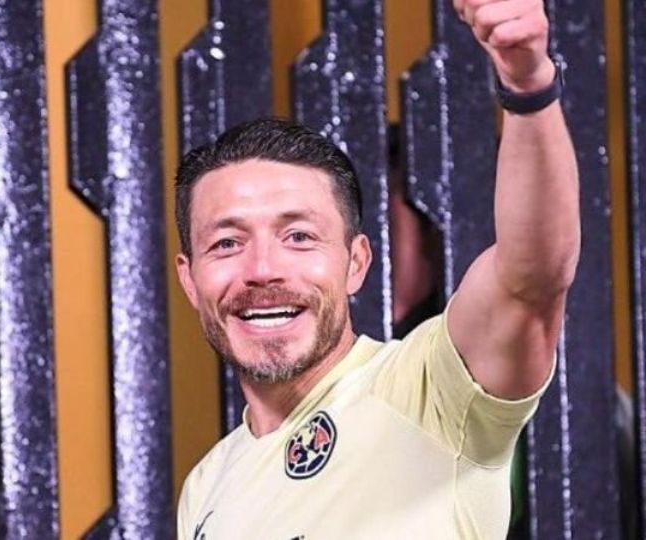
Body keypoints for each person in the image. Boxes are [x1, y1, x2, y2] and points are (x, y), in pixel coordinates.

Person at [173, 1, 577, 538]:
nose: (262, 269)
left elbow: (531, 279)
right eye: (227, 243)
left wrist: (528, 86)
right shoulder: (205, 486)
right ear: (190, 280)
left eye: (299, 237)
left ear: (357, 263)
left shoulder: (426, 391)